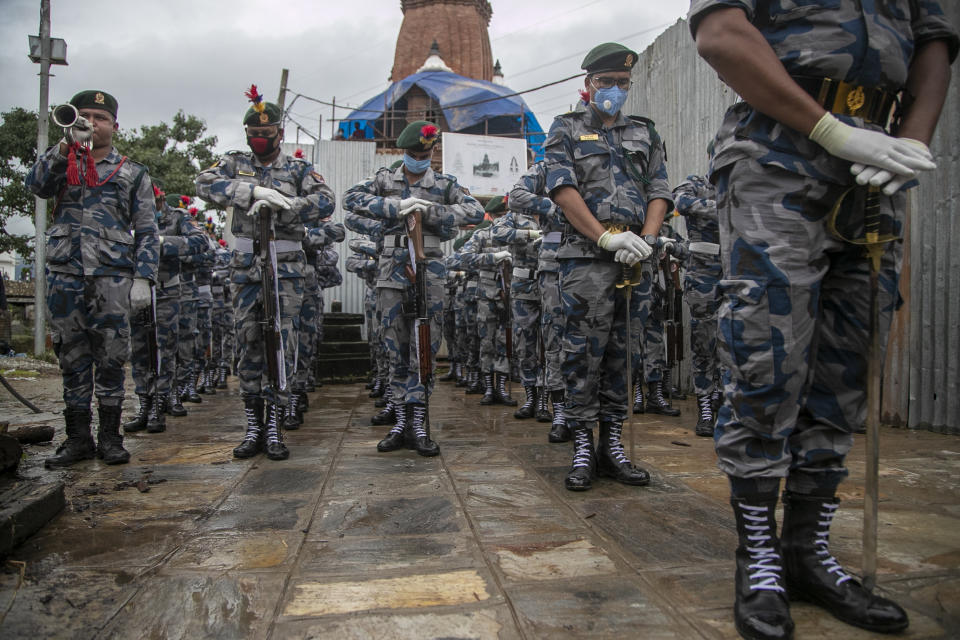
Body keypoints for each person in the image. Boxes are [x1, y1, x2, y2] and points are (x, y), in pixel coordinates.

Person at [689, 3, 957, 638]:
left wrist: (912, 140)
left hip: (877, 168)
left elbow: (936, 43)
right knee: (767, 361)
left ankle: (808, 551)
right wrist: (833, 132)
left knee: (848, 366)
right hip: (777, 155)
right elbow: (721, 34)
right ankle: (758, 556)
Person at [545, 43, 674, 492]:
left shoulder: (644, 132)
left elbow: (660, 187)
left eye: (623, 84)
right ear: (588, 85)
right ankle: (583, 444)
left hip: (635, 256)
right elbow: (561, 187)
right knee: (583, 352)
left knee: (626, 352)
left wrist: (648, 240)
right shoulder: (565, 129)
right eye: (606, 83)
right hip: (587, 258)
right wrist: (603, 236)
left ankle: (612, 444)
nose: (615, 91)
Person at [196, 84, 334, 461]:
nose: (259, 140)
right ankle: (253, 424)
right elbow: (204, 183)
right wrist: (251, 193)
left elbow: (326, 201)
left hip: (286, 269)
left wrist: (285, 205)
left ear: (279, 133)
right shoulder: (234, 162)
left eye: (266, 134)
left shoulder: (298, 168)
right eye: (253, 135)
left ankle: (275, 423)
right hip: (245, 268)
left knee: (281, 344)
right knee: (249, 343)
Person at [26, 89, 159, 468]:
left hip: (111, 278)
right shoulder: (63, 161)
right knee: (71, 357)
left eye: (98, 117)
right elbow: (36, 186)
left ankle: (111, 438)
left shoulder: (132, 172)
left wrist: (144, 279)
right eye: (83, 115)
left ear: (114, 126)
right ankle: (77, 439)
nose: (90, 122)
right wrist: (64, 145)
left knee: (112, 358)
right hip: (66, 274)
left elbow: (147, 230)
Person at [343, 120, 483, 456]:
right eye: (412, 153)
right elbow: (351, 199)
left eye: (424, 152)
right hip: (391, 266)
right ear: (402, 152)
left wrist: (430, 210)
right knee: (395, 345)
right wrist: (394, 207)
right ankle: (401, 420)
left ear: (433, 151)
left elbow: (474, 211)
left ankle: (419, 421)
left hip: (429, 267)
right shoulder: (384, 178)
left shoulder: (444, 183)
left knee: (424, 347)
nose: (418, 158)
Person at [124, 185, 207, 435]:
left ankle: (159, 406)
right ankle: (144, 404)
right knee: (139, 349)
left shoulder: (179, 218)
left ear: (161, 199)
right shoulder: (130, 215)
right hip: (137, 289)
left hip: (167, 291)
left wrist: (162, 242)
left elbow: (200, 242)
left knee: (164, 349)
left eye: (155, 202)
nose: (152, 207)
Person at [510, 160, 569, 440]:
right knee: (550, 335)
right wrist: (558, 205)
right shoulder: (547, 168)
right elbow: (517, 196)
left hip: (595, 252)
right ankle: (552, 404)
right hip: (552, 262)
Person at [673, 167, 722, 436]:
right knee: (704, 341)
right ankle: (705, 403)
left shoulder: (738, 182)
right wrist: (725, 207)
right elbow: (680, 202)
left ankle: (724, 400)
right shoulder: (695, 183)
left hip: (736, 273)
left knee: (732, 342)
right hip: (703, 275)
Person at [457, 197, 517, 407]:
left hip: (509, 296)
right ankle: (488, 387)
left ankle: (501, 386)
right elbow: (464, 258)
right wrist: (493, 258)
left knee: (504, 341)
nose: (503, 219)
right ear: (490, 216)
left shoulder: (514, 236)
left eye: (506, 215)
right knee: (486, 342)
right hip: (486, 295)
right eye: (499, 216)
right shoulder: (482, 235)